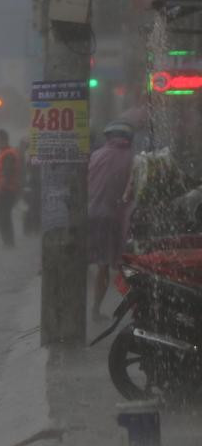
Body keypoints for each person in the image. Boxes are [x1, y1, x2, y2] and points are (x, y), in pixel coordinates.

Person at [88, 122, 136, 319]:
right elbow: (131, 191)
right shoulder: (131, 159)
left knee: (94, 261)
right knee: (107, 265)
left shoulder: (96, 155)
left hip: (89, 214)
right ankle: (96, 310)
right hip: (111, 218)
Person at [0, 129, 21, 247]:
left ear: (3, 140)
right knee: (3, 219)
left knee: (4, 219)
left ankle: (9, 243)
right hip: (3, 191)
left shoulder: (8, 155)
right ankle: (8, 243)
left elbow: (5, 175)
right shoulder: (4, 153)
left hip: (5, 192)